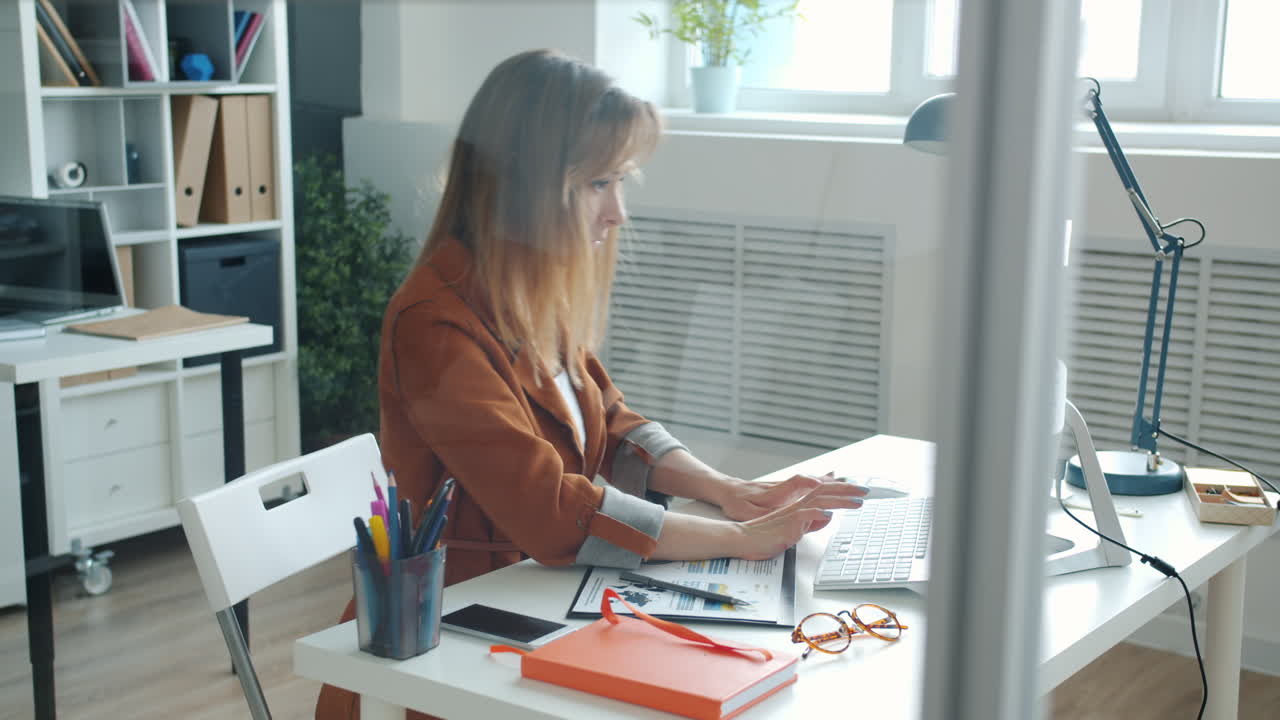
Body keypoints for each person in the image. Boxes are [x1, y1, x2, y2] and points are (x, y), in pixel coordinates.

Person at [316, 49, 865, 720]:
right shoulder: (436, 321)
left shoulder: (525, 292)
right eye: (600, 183)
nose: (618, 213)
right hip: (446, 655)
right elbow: (551, 511)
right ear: (528, 186)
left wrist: (728, 492)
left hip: (538, 608)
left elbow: (614, 424)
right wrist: (737, 540)